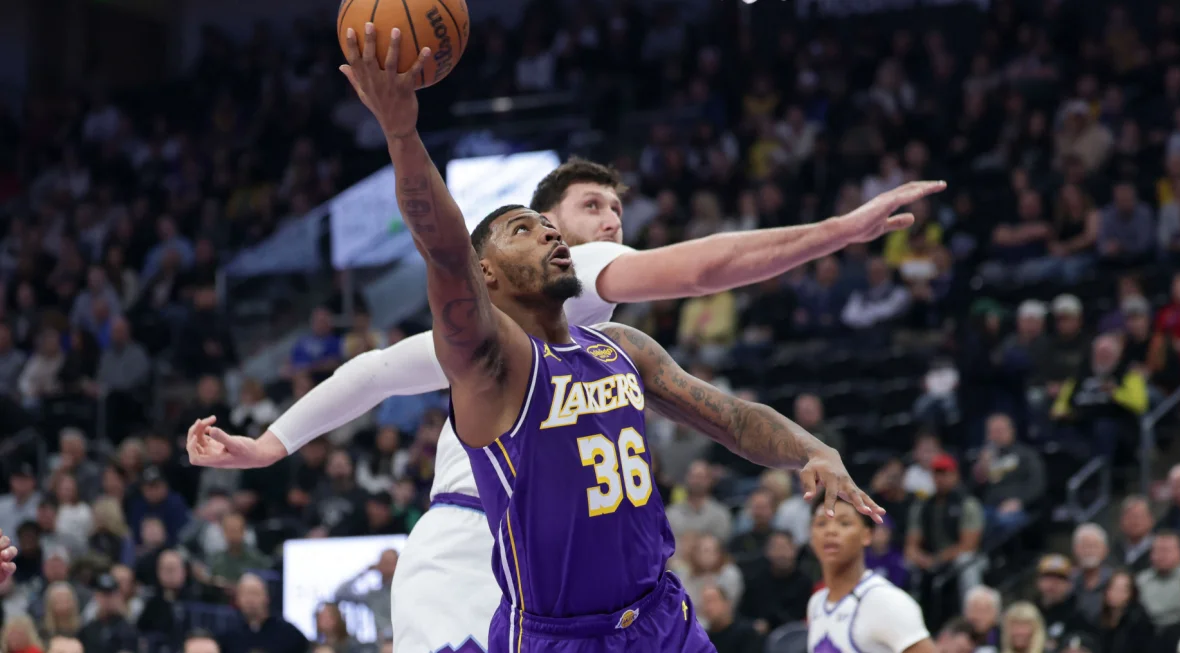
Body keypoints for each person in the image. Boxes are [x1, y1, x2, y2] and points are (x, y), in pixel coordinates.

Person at [185, 24, 942, 653]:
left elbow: (727, 414)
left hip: (653, 611)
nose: (600, 228)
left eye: (610, 213)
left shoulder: (617, 344)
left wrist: (810, 447)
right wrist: (402, 132)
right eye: (574, 213)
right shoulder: (491, 350)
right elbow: (414, 307)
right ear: (494, 267)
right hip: (486, 561)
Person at [807, 498, 934, 653]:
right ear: (811, 536)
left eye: (844, 523)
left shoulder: (884, 601)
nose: (830, 531)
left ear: (867, 535)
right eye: (821, 523)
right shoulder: (816, 603)